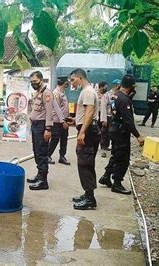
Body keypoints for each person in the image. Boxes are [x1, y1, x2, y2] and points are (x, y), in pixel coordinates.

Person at [98, 74, 145, 195]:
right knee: (122, 158)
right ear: (131, 86)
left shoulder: (116, 95)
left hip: (114, 129)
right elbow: (128, 120)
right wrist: (138, 135)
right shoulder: (124, 100)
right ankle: (117, 183)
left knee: (115, 154)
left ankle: (106, 176)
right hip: (121, 132)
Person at [70, 68, 100, 210]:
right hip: (89, 129)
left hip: (88, 131)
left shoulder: (87, 91)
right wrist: (75, 120)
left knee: (85, 164)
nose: (72, 82)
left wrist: (82, 132)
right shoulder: (88, 90)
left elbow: (89, 112)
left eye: (73, 79)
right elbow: (85, 113)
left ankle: (90, 199)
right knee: (86, 162)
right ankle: (87, 193)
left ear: (80, 78)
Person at [26, 71, 54, 190]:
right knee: (36, 151)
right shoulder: (38, 93)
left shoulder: (46, 93)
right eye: (31, 82)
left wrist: (48, 129)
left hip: (42, 126)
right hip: (35, 126)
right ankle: (39, 175)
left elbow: (49, 112)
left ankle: (43, 181)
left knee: (42, 152)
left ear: (41, 80)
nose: (33, 84)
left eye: (35, 81)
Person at [47, 76, 71, 166]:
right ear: (63, 83)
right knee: (55, 139)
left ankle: (62, 157)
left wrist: (67, 119)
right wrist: (63, 121)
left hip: (64, 120)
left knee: (64, 139)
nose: (68, 84)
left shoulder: (62, 93)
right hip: (58, 121)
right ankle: (48, 155)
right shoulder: (56, 93)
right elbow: (57, 109)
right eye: (67, 82)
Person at [98, 81, 110, 158]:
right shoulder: (95, 93)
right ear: (101, 87)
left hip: (105, 114)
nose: (106, 88)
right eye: (105, 86)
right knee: (99, 132)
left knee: (105, 132)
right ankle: (102, 146)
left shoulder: (107, 95)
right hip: (97, 114)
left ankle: (104, 147)